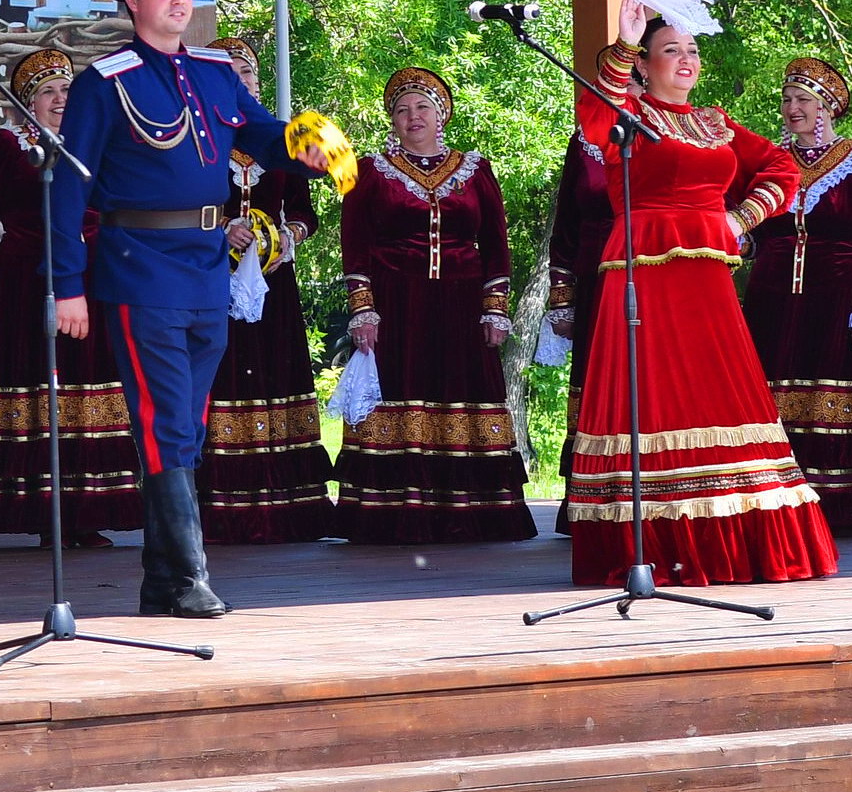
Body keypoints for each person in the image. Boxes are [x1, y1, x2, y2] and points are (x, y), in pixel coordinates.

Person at [50, 0, 336, 618]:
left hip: (208, 267)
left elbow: (262, 134)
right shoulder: (102, 82)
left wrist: (303, 142)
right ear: (133, 1)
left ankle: (159, 580)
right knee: (164, 419)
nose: (180, 0)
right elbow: (67, 187)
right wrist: (66, 286)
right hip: (137, 265)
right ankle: (190, 573)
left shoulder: (212, 70)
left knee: (188, 420)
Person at [561, 0, 837, 587]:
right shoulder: (627, 115)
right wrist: (624, 40)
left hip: (708, 275)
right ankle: (655, 540)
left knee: (719, 391)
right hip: (644, 271)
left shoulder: (717, 122)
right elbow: (594, 117)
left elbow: (781, 170)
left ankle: (734, 539)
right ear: (644, 63)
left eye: (691, 50)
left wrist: (742, 218)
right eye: (669, 50)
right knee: (653, 392)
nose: (685, 60)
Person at [334, 67, 533, 544]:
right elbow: (354, 245)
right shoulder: (367, 171)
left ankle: (473, 512)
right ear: (391, 121)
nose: (412, 116)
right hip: (396, 305)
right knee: (401, 394)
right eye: (401, 110)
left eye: (422, 107)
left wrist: (496, 307)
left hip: (463, 305)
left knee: (464, 394)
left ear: (441, 114)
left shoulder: (476, 169)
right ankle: (393, 513)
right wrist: (363, 310)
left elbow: (496, 243)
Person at [0, 48, 144, 546]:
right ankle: (45, 515)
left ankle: (89, 512)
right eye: (48, 92)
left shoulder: (90, 143)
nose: (60, 99)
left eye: (66, 90)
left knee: (90, 385)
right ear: (27, 101)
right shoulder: (6, 145)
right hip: (27, 281)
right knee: (40, 385)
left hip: (89, 278)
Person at [743, 56, 852, 538]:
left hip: (836, 295)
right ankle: (774, 498)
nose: (792, 108)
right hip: (771, 296)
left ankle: (843, 506)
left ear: (827, 106)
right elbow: (743, 225)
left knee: (834, 383)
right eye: (788, 99)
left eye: (803, 99)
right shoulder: (767, 160)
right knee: (768, 385)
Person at [198, 37, 333, 543]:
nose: (243, 83)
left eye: (249, 76)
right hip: (214, 283)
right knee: (224, 375)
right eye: (232, 76)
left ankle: (289, 507)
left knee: (278, 376)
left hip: (274, 281)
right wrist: (221, 232)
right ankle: (222, 510)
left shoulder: (280, 143)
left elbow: (304, 211)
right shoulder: (200, 143)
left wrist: (284, 235)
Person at [544, 130, 613, 535]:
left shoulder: (671, 129)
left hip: (654, 275)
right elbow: (565, 227)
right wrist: (563, 298)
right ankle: (590, 502)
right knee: (596, 384)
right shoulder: (585, 141)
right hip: (595, 284)